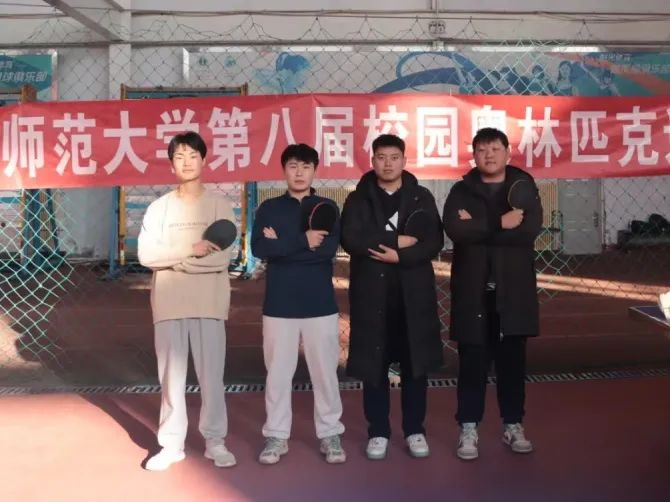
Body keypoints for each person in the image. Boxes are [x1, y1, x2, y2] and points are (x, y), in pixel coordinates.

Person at [340, 133, 444, 460]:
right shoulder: (357, 199)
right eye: (381, 158)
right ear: (372, 161)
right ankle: (378, 431)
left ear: (404, 161)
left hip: (413, 296)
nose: (387, 164)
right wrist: (400, 240)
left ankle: (414, 429)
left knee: (415, 365)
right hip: (373, 295)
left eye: (394, 157)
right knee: (375, 366)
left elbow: (434, 241)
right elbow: (352, 239)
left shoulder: (421, 196)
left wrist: (401, 256)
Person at [138, 131, 237, 471]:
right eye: (179, 156)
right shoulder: (158, 208)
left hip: (209, 304)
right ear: (171, 164)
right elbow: (147, 255)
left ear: (204, 160)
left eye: (193, 155)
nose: (187, 162)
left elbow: (222, 259)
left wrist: (176, 261)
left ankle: (215, 442)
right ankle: (171, 445)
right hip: (168, 305)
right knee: (170, 380)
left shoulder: (220, 206)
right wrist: (191, 250)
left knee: (212, 378)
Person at [442, 127, 542, 460]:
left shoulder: (524, 187)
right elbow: (456, 230)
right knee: (472, 363)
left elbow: (527, 231)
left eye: (495, 149)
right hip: (473, 293)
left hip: (513, 293)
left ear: (507, 153)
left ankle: (513, 424)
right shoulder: (461, 190)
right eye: (482, 149)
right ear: (474, 155)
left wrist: (478, 227)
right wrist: (500, 223)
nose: (489, 155)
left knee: (512, 364)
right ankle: (468, 427)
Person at [251, 143, 346, 465]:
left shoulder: (327, 206)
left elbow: (326, 250)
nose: (299, 172)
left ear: (314, 170)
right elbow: (260, 248)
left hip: (320, 304)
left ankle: (330, 432)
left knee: (325, 373)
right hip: (279, 305)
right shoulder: (269, 208)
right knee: (277, 374)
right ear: (284, 170)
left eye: (306, 166)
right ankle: (276, 435)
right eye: (293, 166)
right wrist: (303, 241)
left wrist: (282, 246)